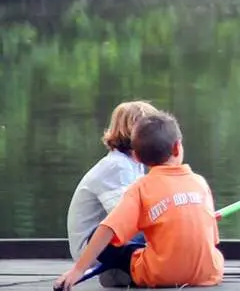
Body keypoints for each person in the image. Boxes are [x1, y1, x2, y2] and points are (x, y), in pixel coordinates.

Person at [53, 110, 225, 290]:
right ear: (177, 147)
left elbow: (109, 228)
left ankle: (120, 273)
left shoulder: (141, 188)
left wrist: (78, 270)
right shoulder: (200, 183)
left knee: (102, 241)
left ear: (137, 156)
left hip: (159, 274)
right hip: (208, 273)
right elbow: (212, 239)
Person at [65, 101, 157, 263]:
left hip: (106, 242)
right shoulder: (118, 167)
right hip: (92, 249)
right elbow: (125, 218)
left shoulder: (135, 164)